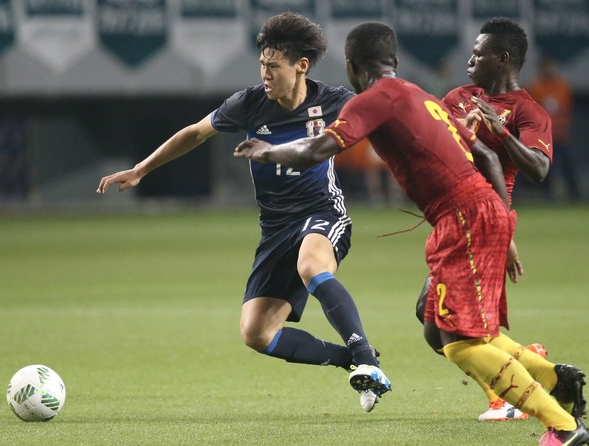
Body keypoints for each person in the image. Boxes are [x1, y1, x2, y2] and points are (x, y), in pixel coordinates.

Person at [233, 21, 589, 445]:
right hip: (475, 214)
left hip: (464, 217)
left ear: (351, 66)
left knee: (460, 343)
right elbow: (488, 160)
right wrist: (502, 223)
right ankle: (555, 381)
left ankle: (564, 426)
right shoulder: (421, 95)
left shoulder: (374, 100)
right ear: (394, 62)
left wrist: (268, 149)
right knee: (438, 326)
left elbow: (315, 150)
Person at [96, 12, 390, 413]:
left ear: (301, 66)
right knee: (257, 333)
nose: (265, 74)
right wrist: (141, 169)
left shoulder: (334, 101)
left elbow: (391, 120)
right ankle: (351, 359)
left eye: (274, 66)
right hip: (275, 227)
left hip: (322, 212)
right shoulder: (250, 104)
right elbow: (195, 133)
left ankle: (366, 360)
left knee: (311, 265)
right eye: (262, 66)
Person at [416, 17, 586, 423]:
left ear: (504, 59)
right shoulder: (457, 97)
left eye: (479, 53)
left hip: (487, 224)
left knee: (451, 329)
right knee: (433, 325)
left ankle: (512, 394)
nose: (470, 59)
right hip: (452, 220)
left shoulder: (527, 111)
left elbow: (540, 169)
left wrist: (501, 133)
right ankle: (531, 366)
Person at [528, 56, 580, 201]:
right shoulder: (536, 86)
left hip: (561, 134)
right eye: (546, 67)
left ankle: (575, 195)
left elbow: (567, 109)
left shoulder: (562, 86)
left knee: (568, 164)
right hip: (544, 136)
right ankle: (547, 195)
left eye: (551, 66)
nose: (549, 70)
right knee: (546, 168)